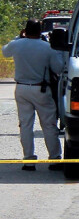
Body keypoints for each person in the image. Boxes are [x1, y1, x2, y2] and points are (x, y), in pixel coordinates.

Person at [2, 19, 66, 171]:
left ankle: (28, 159)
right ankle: (54, 158)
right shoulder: (47, 47)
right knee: (49, 125)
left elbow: (5, 51)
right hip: (41, 88)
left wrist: (19, 37)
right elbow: (58, 68)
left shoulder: (17, 44)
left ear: (25, 30)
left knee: (25, 125)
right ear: (40, 31)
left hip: (21, 88)